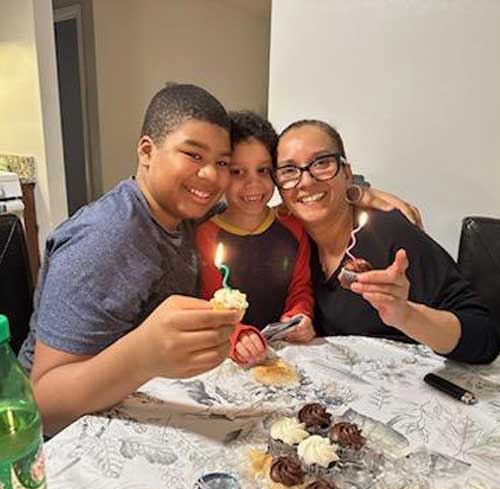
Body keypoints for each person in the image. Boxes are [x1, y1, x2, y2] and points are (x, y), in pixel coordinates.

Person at [17, 84, 264, 435]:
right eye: (193, 155)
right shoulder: (105, 238)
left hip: (141, 407)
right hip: (62, 439)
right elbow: (43, 405)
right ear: (147, 151)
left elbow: (249, 210)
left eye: (222, 163)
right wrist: (143, 355)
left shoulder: (190, 212)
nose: (211, 175)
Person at [274, 119, 500, 364]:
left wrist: (406, 315)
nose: (306, 181)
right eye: (289, 171)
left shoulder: (390, 234)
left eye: (322, 163)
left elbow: (484, 338)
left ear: (347, 172)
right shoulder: (289, 242)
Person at [196, 111, 316, 356]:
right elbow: (212, 307)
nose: (253, 184)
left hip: (287, 352)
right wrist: (238, 334)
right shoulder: (205, 236)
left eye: (263, 171)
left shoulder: (294, 228)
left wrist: (300, 315)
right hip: (229, 357)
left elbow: (300, 288)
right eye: (238, 172)